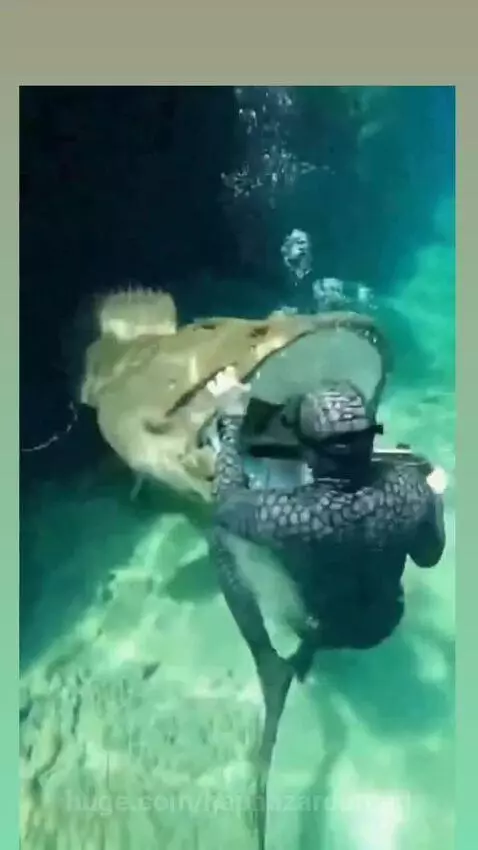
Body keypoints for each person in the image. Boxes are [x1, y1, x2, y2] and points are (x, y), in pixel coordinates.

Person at [207, 366, 447, 849]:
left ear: (309, 454)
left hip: (317, 627)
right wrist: (433, 501)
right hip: (384, 621)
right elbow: (429, 556)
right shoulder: (408, 490)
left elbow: (227, 502)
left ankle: (266, 658)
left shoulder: (283, 515)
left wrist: (231, 419)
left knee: (221, 540)